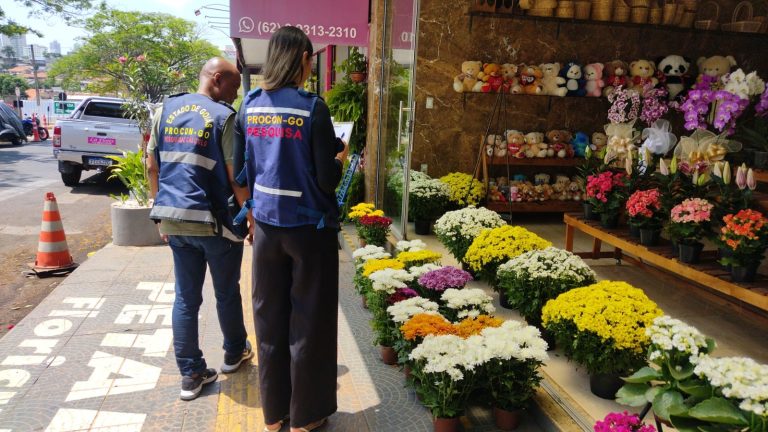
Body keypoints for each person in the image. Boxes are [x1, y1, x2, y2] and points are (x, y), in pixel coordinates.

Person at [234, 26, 348, 432]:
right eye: (311, 58)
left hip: (265, 228)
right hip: (309, 230)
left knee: (268, 317)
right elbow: (325, 179)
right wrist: (341, 159)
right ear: (302, 58)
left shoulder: (249, 106)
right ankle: (305, 416)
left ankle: (273, 415)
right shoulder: (312, 108)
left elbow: (240, 171)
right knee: (310, 321)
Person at [147, 57, 254, 401]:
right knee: (226, 292)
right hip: (216, 224)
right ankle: (234, 352)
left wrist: (159, 212)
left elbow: (152, 166)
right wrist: (250, 215)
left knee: (186, 298)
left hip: (174, 220)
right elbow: (234, 176)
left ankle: (191, 373)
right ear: (218, 79)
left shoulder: (165, 111)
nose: (235, 96)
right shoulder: (223, 117)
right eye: (234, 88)